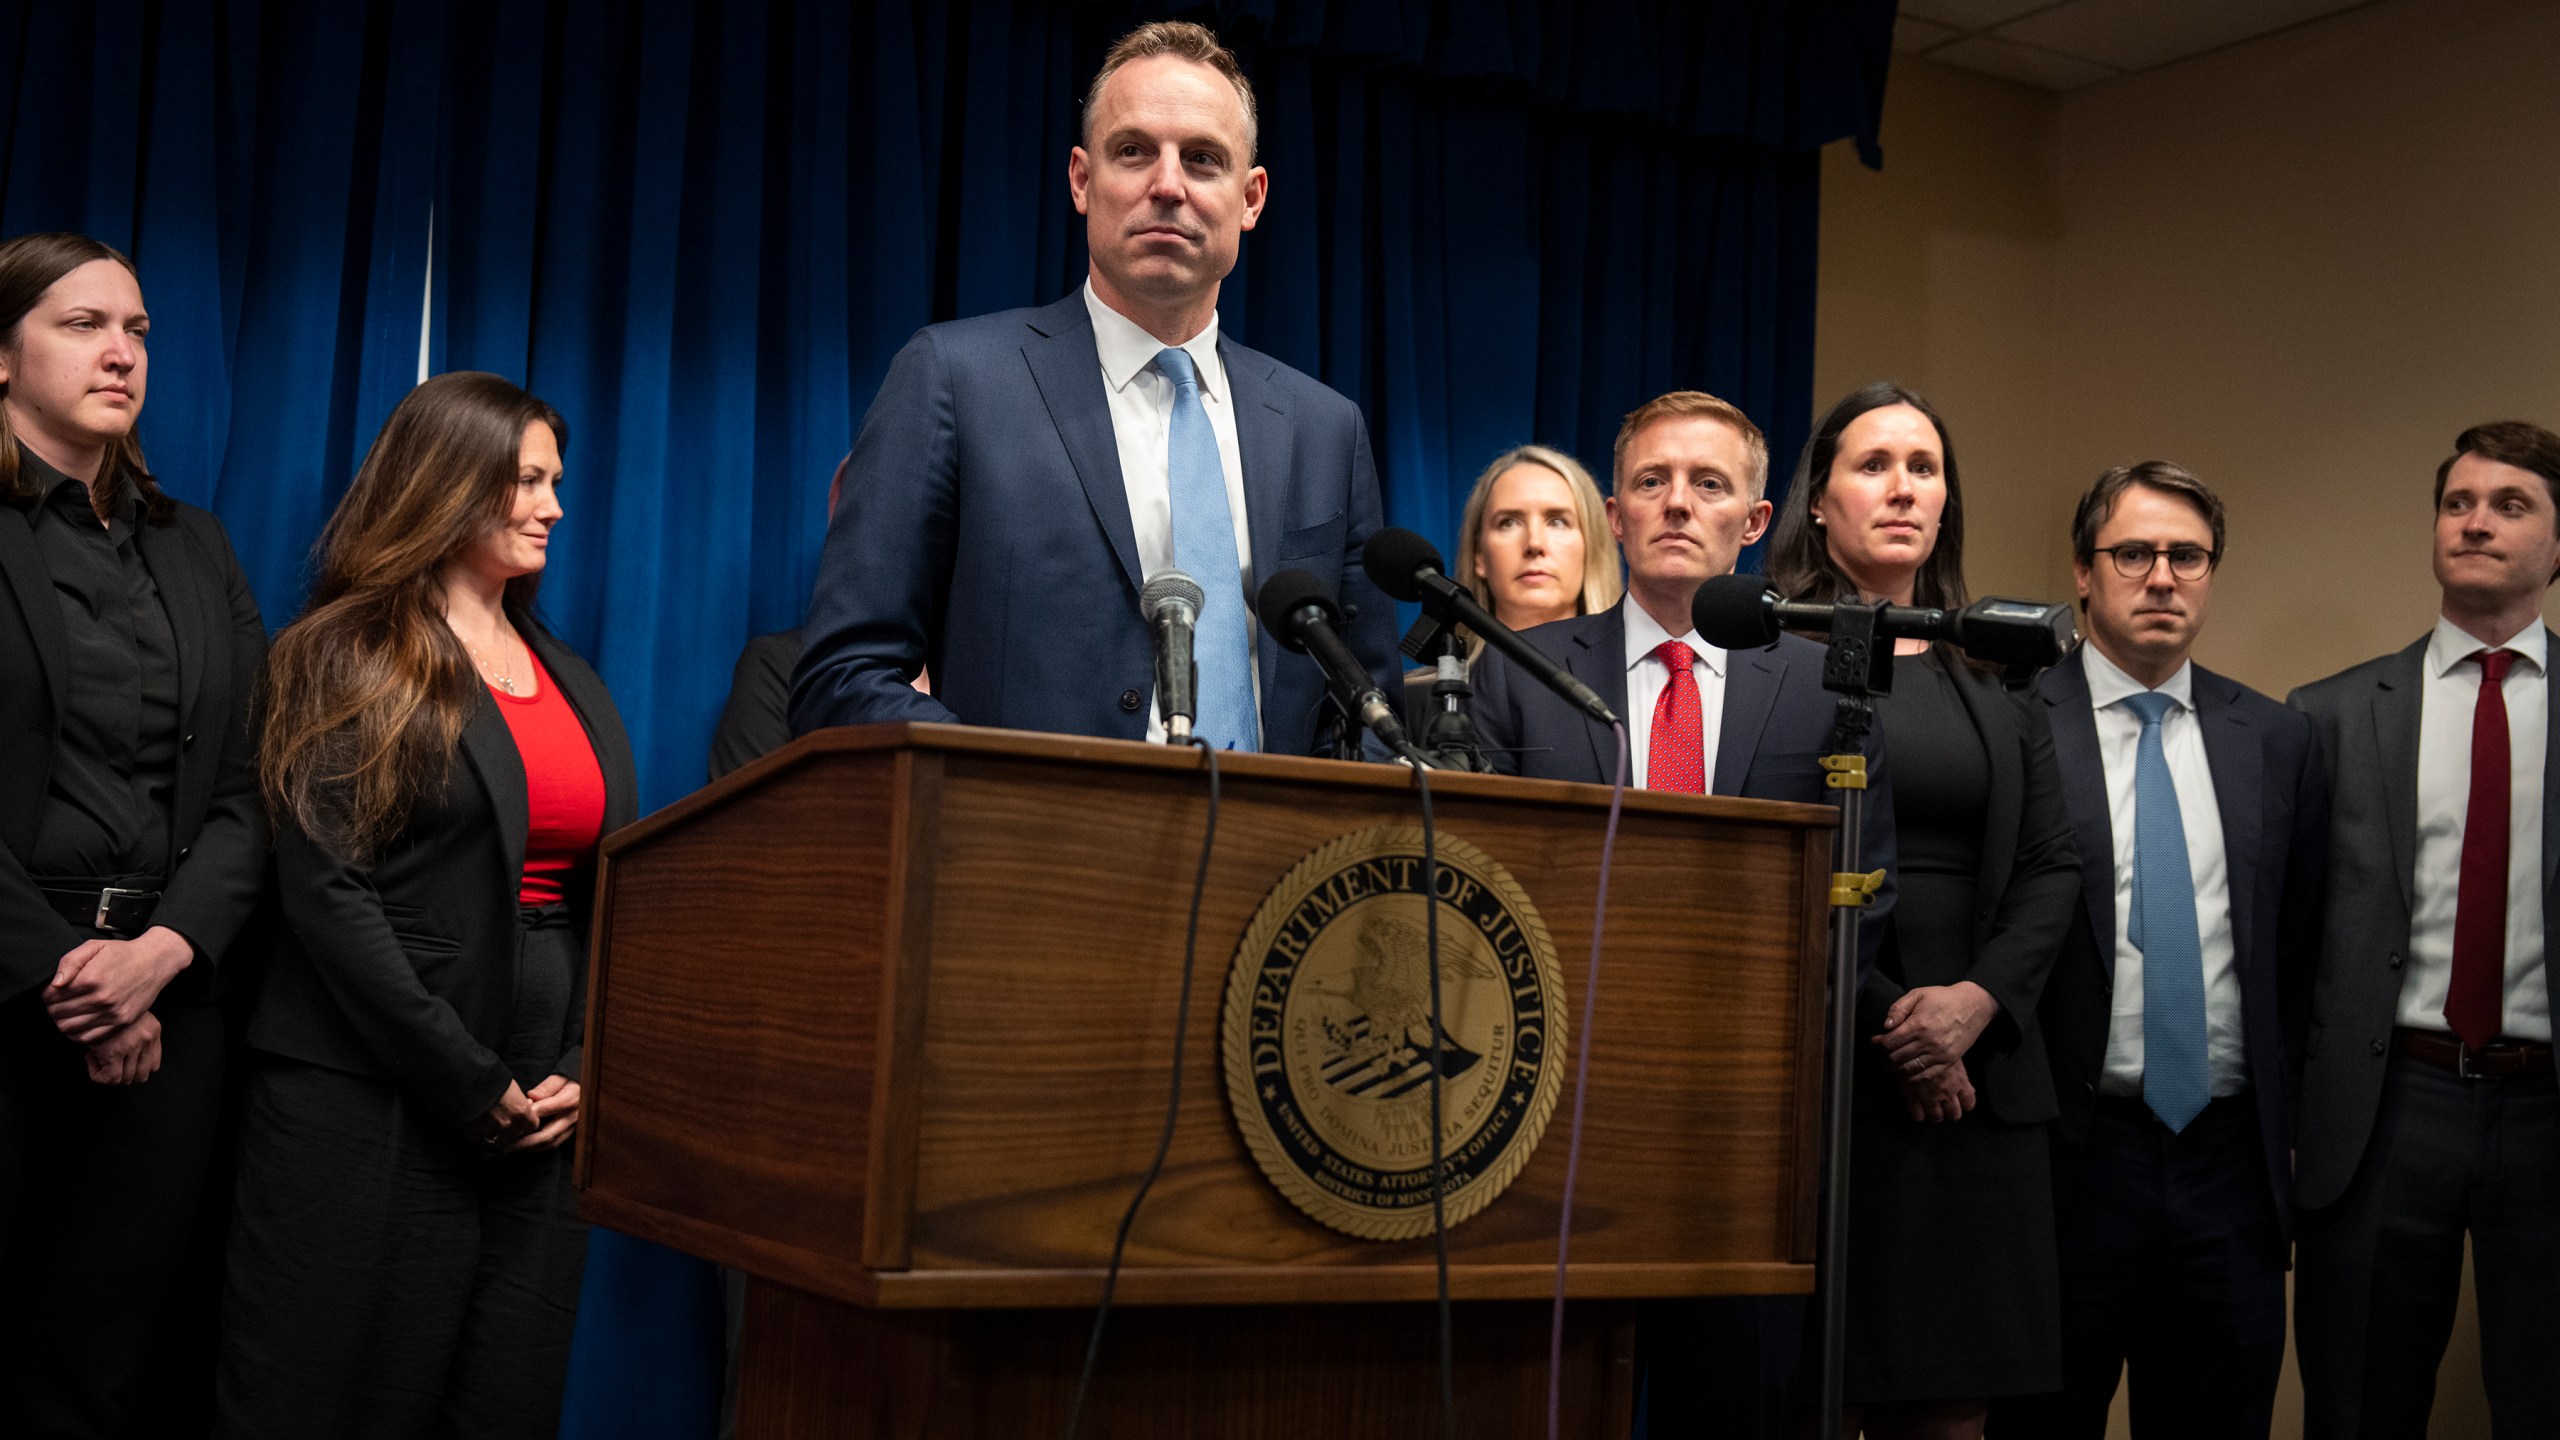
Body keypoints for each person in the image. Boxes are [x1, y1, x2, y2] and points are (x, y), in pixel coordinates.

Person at [216, 372, 637, 1440]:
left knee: (503, 1397)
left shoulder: (568, 672)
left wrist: (584, 1063)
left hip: (541, 1099)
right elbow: (325, 893)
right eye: (524, 481)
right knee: (328, 1396)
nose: (550, 505)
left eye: (554, 481)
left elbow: (610, 890)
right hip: (370, 1090)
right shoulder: (344, 652)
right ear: (447, 486)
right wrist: (463, 1076)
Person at [1467, 390, 1893, 1439]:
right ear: (1614, 514)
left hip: (1743, 1130)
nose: (1675, 505)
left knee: (1738, 1403)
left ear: (1753, 523)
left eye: (1707, 486)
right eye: (1651, 483)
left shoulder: (1826, 689)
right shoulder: (1521, 679)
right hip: (1549, 1121)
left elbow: (1861, 897)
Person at [789, 20, 1399, 751]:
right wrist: (1019, 798)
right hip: (1030, 854)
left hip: (1280, 862)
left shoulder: (1325, 430)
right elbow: (842, 676)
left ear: (1251, 198)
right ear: (1082, 180)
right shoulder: (954, 379)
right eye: (1134, 151)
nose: (1167, 185)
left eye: (1203, 159)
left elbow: (1370, 714)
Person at [1764, 380, 2078, 1440]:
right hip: (1829, 1072)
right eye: (1872, 464)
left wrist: (1971, 1009)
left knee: (1953, 1405)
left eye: (1924, 468)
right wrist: (1898, 1026)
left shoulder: (1996, 671)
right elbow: (1775, 872)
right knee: (1817, 1390)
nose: (1902, 487)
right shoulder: (1765, 659)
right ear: (1816, 501)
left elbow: (2050, 865)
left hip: (1977, 1080)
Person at [1991, 462, 2327, 1437]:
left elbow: (2298, 957)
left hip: (2228, 1163)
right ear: (2082, 575)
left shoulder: (2275, 738)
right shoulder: (2015, 725)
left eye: (2186, 556)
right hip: (2068, 1160)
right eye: (2132, 553)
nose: (2162, 577)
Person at [0, 231, 269, 1439]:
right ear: (3, 356)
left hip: (172, 1008)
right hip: (15, 985)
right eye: (83, 325)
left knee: (107, 1368)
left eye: (139, 331)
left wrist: (156, 960)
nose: (120, 352)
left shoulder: (196, 546)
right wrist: (67, 978)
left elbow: (253, 786)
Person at [2288, 421, 2560, 1436]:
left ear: (2557, 545)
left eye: (2509, 505)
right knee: (2360, 1401)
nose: (2476, 522)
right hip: (2384, 1106)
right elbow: (2288, 941)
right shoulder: (2329, 714)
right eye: (2457, 504)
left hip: (2547, 1110)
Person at [1407, 444, 1620, 732]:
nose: (1534, 544)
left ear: (1590, 548)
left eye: (1557, 521)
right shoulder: (1414, 705)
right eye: (1509, 523)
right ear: (1479, 556)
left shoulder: (1634, 696)